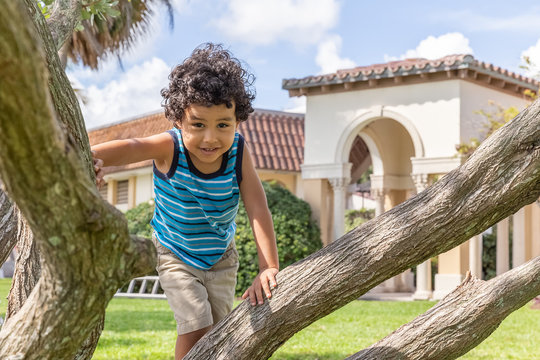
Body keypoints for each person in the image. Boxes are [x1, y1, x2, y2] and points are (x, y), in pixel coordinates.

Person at [91, 43, 279, 359]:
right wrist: (92, 156)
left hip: (221, 257)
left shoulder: (238, 152)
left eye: (223, 125)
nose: (211, 137)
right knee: (195, 326)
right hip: (175, 253)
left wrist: (268, 267)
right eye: (198, 124)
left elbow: (257, 208)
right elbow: (132, 148)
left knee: (221, 332)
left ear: (237, 121)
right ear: (179, 120)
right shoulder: (170, 147)